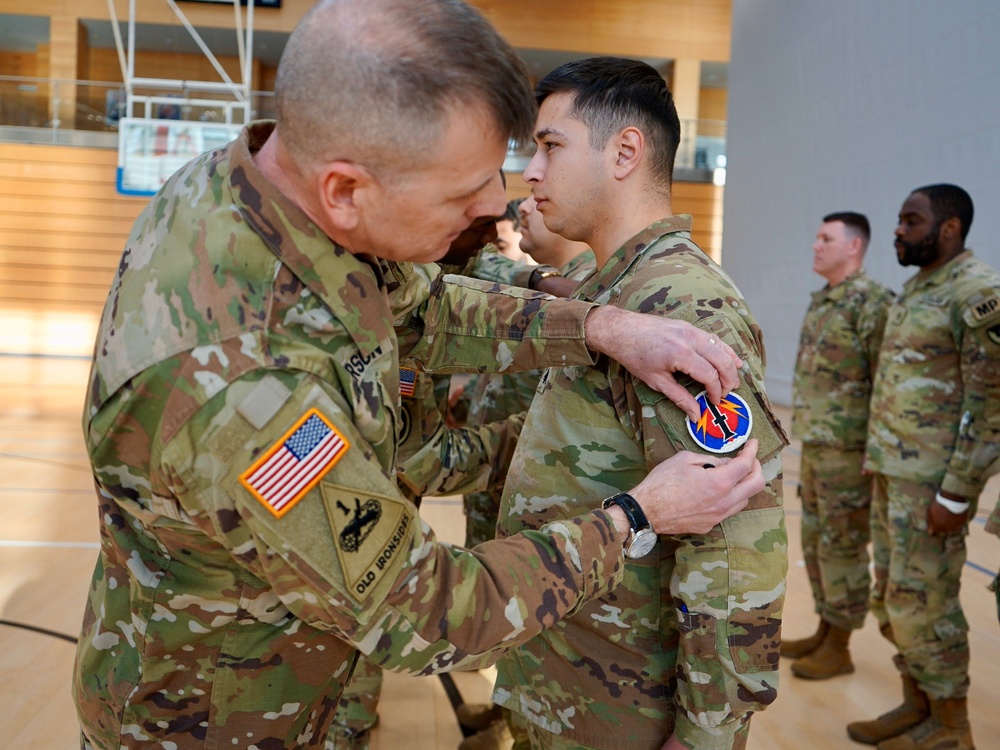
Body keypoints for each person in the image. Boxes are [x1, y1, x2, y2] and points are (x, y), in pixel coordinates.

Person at [71, 3, 765, 748]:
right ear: (346, 189)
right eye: (461, 191)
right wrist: (636, 517)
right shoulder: (244, 390)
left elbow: (421, 305)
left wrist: (597, 325)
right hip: (214, 720)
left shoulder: (266, 190)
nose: (497, 206)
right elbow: (426, 612)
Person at [490, 57, 788, 750]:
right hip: (567, 678)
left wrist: (706, 733)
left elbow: (739, 550)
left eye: (550, 146)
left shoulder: (682, 303)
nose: (531, 172)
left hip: (625, 709)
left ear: (624, 151)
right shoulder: (601, 283)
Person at [848, 184, 1000, 750]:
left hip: (935, 484)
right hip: (896, 473)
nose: (899, 230)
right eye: (899, 219)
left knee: (927, 603)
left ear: (950, 227)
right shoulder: (918, 289)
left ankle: (952, 725)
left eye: (911, 221)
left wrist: (957, 494)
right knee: (893, 599)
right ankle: (919, 703)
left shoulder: (978, 293)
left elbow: (991, 407)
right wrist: (877, 453)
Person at [781, 212, 893, 680]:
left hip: (851, 452)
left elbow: (887, 382)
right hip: (822, 448)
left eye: (826, 238)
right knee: (818, 542)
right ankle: (827, 629)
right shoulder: (826, 300)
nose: (815, 245)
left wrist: (876, 451)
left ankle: (841, 645)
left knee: (844, 546)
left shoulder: (871, 303)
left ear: (854, 246)